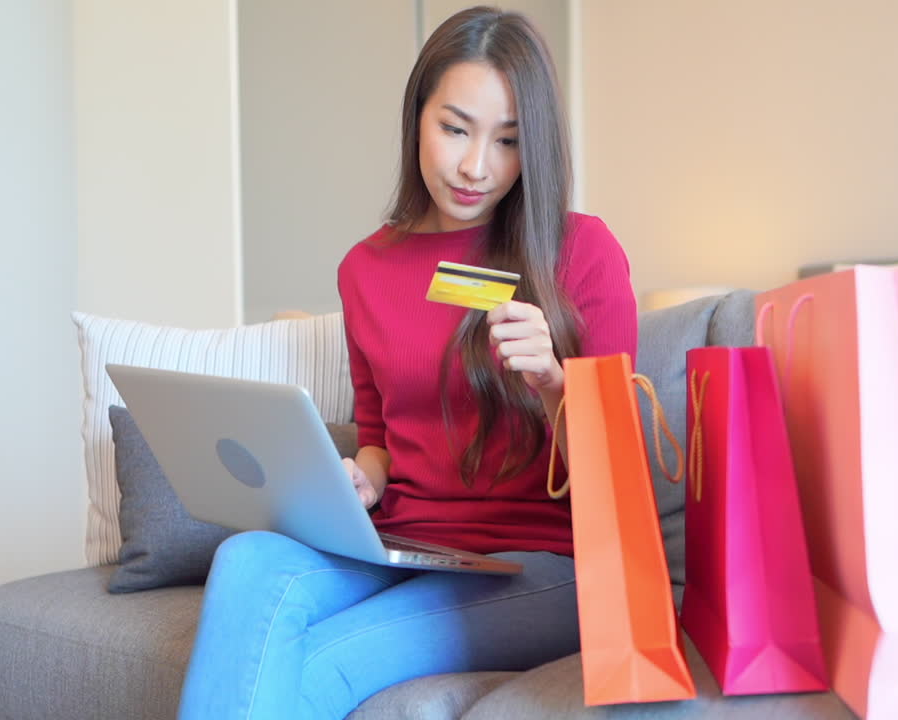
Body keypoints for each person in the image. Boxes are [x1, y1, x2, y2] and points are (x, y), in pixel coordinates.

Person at [177, 7, 636, 719]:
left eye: (508, 141)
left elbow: (619, 487)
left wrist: (553, 382)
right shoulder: (367, 268)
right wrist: (363, 476)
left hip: (543, 567)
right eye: (455, 128)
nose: (476, 166)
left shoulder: (581, 252)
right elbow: (380, 434)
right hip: (404, 545)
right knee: (246, 558)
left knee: (314, 669)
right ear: (417, 113)